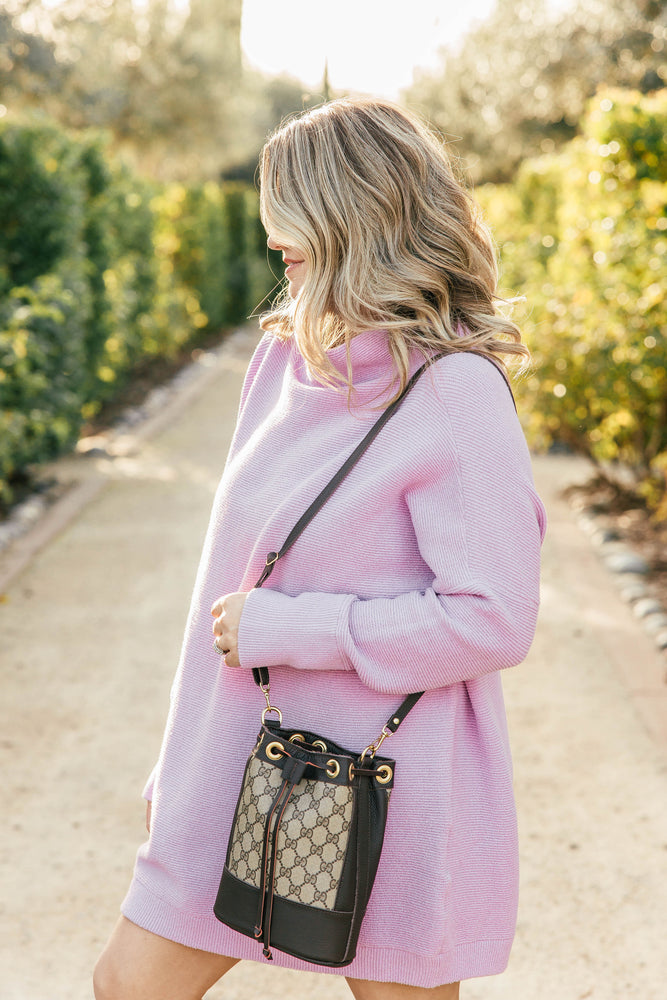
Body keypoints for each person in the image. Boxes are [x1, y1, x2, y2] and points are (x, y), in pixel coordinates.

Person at [94, 97, 547, 1000]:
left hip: (385, 785)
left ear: (353, 211)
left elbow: (494, 618)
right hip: (234, 762)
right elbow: (227, 581)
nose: (271, 238)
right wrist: (177, 764)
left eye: (287, 208)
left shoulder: (455, 390)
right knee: (127, 986)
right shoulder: (281, 360)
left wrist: (295, 628)